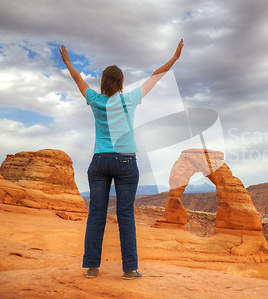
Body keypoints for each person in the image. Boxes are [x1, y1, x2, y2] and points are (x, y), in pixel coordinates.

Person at [59, 39, 184, 279]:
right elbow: (155, 77)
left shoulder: (95, 100)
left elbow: (77, 80)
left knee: (97, 213)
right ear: (122, 83)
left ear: (103, 83)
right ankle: (130, 269)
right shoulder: (130, 99)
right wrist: (174, 58)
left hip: (99, 162)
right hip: (126, 162)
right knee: (125, 214)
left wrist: (68, 62)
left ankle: (92, 268)